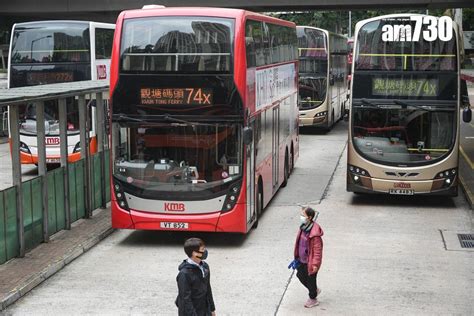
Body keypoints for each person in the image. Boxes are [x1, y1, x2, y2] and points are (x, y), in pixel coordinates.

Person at [176, 238, 216, 316]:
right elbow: (185, 299)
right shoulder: (184, 274)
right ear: (194, 253)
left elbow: (208, 288)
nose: (205, 251)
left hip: (204, 309)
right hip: (191, 312)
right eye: (202, 249)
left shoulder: (205, 266)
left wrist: (212, 308)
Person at [293, 207, 324, 308]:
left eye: (303, 215)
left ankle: (313, 298)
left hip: (310, 262)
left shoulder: (315, 234)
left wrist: (315, 264)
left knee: (311, 280)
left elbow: (317, 251)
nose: (301, 217)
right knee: (300, 275)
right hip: (301, 259)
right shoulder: (303, 227)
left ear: (310, 217)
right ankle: (314, 290)